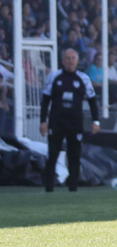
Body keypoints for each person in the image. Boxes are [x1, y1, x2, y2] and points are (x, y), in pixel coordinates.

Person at [39, 49, 100, 192]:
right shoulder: (54, 76)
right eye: (67, 58)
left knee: (75, 155)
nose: (70, 61)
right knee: (52, 154)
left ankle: (73, 188)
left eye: (73, 58)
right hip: (56, 122)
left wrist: (96, 121)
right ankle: (49, 188)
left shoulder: (83, 78)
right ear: (63, 60)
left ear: (77, 61)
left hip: (75, 122)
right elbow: (45, 100)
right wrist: (43, 121)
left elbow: (92, 101)